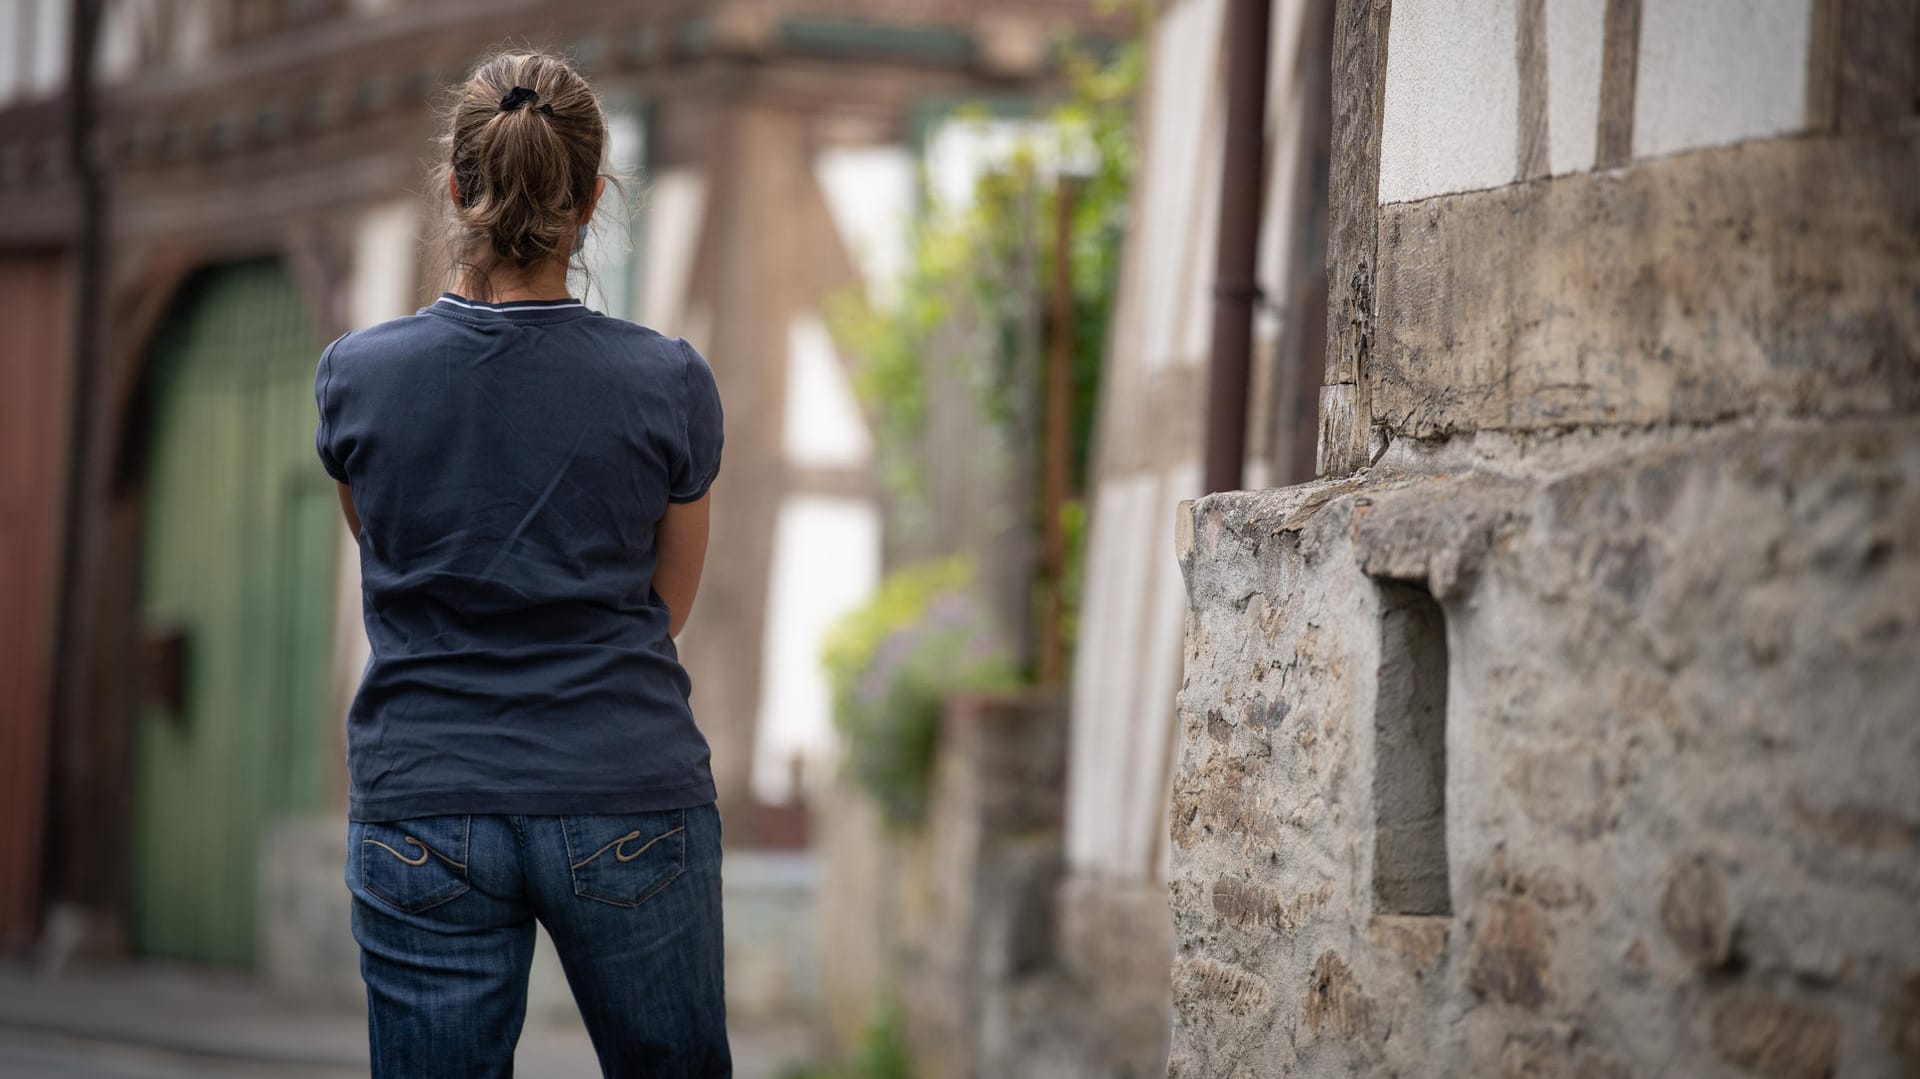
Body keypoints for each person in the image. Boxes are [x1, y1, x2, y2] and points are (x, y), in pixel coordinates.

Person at [313, 50, 729, 1078]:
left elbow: (389, 546)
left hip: (425, 798)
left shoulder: (358, 377)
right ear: (594, 199)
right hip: (623, 784)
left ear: (455, 188)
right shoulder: (666, 380)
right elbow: (666, 599)